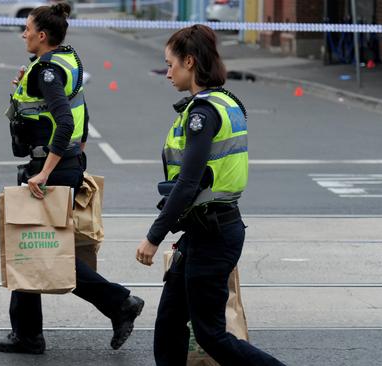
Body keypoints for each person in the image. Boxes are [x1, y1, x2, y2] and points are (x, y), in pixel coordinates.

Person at [0, 2, 144, 355]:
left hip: (50, 170)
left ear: (42, 35)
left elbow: (64, 121)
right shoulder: (65, 60)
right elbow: (81, 112)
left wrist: (46, 172)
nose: (23, 34)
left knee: (42, 249)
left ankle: (119, 302)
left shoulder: (48, 70)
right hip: (65, 164)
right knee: (31, 245)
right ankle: (28, 333)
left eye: (27, 29)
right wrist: (75, 155)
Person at [134, 25, 286, 366]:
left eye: (171, 63)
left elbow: (188, 184)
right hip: (204, 232)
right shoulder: (224, 102)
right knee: (170, 323)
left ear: (190, 62)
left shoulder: (202, 113)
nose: (167, 71)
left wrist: (153, 238)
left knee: (210, 335)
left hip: (213, 235)